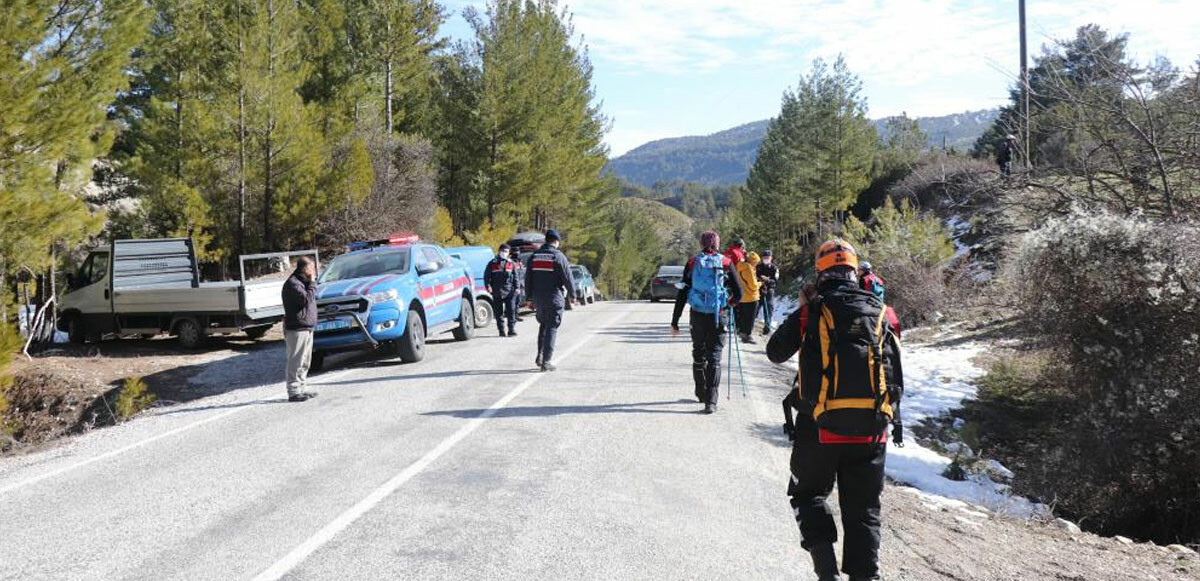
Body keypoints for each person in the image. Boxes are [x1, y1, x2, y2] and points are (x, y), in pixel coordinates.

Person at [767, 239, 903, 581]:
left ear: (820, 273)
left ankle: (826, 574)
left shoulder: (812, 310)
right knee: (864, 512)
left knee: (807, 494)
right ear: (855, 273)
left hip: (819, 428)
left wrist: (803, 309)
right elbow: (895, 372)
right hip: (872, 429)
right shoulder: (882, 313)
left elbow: (775, 352)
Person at [671, 231, 742, 414]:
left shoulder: (693, 262)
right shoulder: (725, 262)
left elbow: (682, 292)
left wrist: (675, 321)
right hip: (718, 315)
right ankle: (711, 401)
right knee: (714, 357)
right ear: (717, 244)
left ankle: (700, 391)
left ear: (702, 243)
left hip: (697, 315)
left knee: (698, 353)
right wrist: (728, 305)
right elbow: (739, 292)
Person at [525, 229, 575, 372]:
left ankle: (540, 356)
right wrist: (573, 295)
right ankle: (546, 361)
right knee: (552, 328)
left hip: (538, 299)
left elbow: (528, 278)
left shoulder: (534, 257)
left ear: (546, 240)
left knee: (543, 326)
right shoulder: (558, 257)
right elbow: (568, 277)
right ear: (556, 241)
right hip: (554, 297)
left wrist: (529, 297)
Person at [281, 256, 319, 403]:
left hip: (306, 327)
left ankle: (302, 388)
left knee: (305, 361)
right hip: (297, 328)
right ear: (305, 268)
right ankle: (293, 391)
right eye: (312, 267)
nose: (314, 271)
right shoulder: (293, 284)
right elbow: (305, 300)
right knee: (295, 360)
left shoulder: (303, 282)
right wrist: (312, 283)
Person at [859, 263, 901, 340]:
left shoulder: (863, 279)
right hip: (880, 303)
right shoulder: (877, 278)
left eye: (859, 270)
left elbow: (862, 293)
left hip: (869, 303)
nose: (858, 272)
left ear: (863, 270)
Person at [486, 243, 520, 337]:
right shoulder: (492, 263)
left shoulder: (511, 263)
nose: (504, 253)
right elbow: (487, 276)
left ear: (509, 253)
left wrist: (517, 287)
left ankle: (511, 330)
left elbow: (516, 276)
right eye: (503, 251)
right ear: (499, 251)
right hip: (497, 291)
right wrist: (488, 286)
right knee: (499, 312)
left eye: (506, 251)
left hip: (509, 291)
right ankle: (501, 330)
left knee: (511, 311)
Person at [735, 251, 762, 344]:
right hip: (752, 297)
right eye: (756, 263)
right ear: (753, 261)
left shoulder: (739, 266)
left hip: (743, 296)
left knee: (744, 317)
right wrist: (761, 283)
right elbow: (753, 285)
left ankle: (742, 333)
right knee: (750, 318)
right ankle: (747, 335)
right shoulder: (748, 268)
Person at [757, 250, 780, 335]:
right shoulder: (758, 267)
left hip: (769, 290)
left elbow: (775, 280)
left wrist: (767, 280)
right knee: (756, 307)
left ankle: (767, 327)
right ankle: (750, 327)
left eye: (768, 258)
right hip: (758, 289)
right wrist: (762, 280)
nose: (766, 259)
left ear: (771, 258)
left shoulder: (774, 268)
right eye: (764, 258)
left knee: (769, 308)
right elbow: (756, 276)